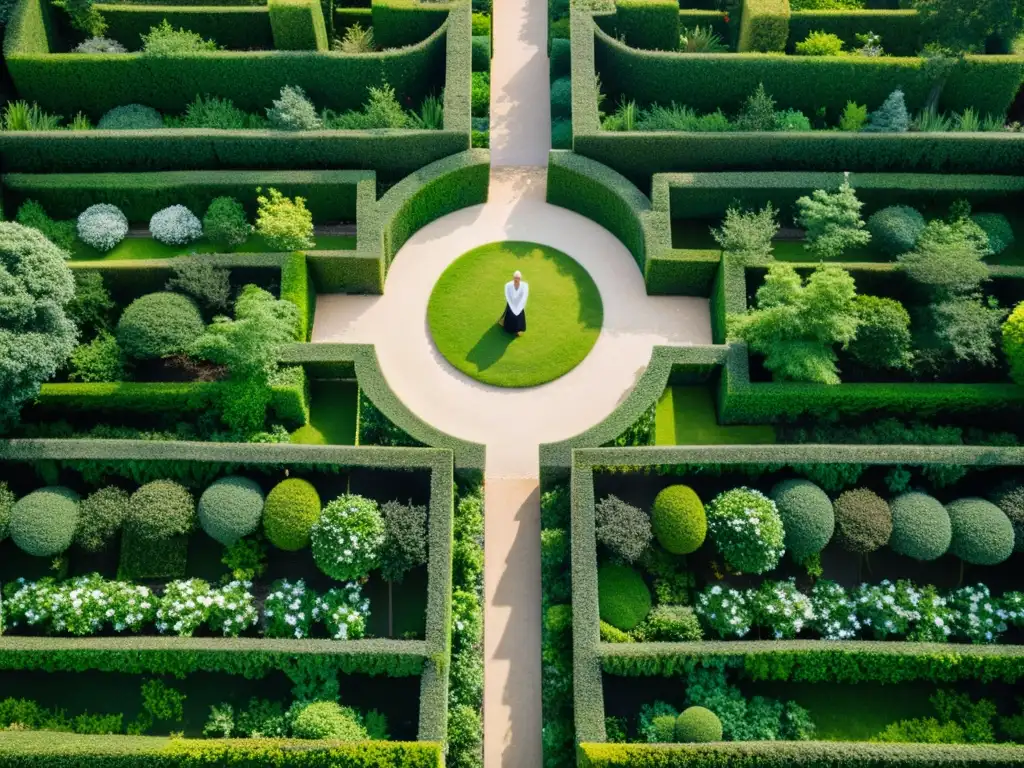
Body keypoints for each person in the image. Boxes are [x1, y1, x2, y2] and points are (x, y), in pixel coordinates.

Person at [500, 270, 528, 336]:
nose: (516, 279)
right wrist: (512, 303)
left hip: (519, 305)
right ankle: (508, 327)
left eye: (518, 278)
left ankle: (518, 330)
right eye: (515, 277)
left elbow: (524, 296)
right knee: (510, 316)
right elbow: (507, 294)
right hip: (511, 304)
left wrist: (520, 304)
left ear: (520, 279)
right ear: (513, 278)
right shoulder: (509, 285)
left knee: (519, 318)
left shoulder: (524, 286)